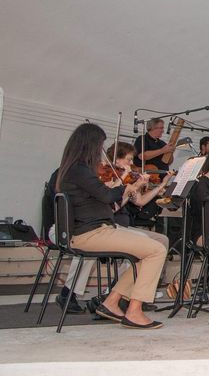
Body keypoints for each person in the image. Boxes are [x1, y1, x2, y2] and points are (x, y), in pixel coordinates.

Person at [55, 123, 168, 329]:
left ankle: (112, 302)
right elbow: (107, 196)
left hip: (95, 230)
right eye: (99, 145)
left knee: (148, 251)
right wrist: (126, 184)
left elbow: (105, 198)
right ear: (90, 145)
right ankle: (134, 311)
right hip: (91, 233)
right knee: (156, 250)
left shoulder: (75, 169)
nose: (101, 150)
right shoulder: (80, 170)